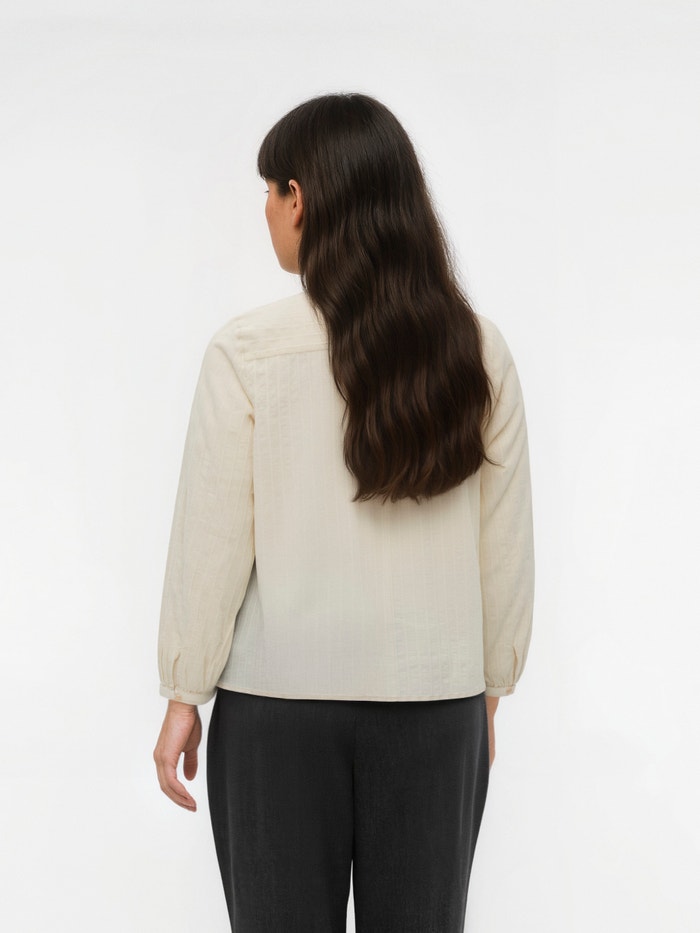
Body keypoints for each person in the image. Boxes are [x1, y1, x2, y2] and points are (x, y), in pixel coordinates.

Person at [153, 92, 534, 933]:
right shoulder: (477, 350)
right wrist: (488, 691)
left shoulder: (248, 352)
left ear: (302, 198)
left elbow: (213, 539)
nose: (265, 209)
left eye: (270, 189)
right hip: (435, 703)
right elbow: (502, 544)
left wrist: (184, 691)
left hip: (276, 708)